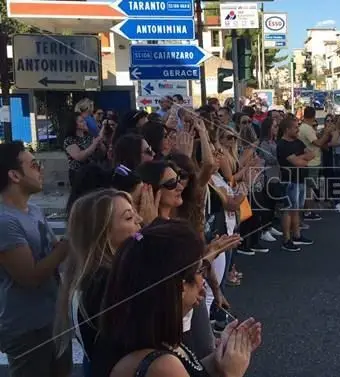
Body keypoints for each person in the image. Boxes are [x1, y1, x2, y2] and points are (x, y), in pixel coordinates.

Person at [91, 220, 261, 377]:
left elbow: (191, 370)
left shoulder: (154, 338)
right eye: (198, 271)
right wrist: (232, 372)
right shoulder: (162, 366)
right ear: (176, 286)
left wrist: (218, 359)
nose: (203, 282)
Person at [0, 141, 71, 377]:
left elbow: (55, 253)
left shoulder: (34, 211)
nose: (40, 169)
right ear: (14, 175)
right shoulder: (4, 221)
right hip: (27, 329)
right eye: (34, 165)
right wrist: (68, 245)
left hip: (54, 320)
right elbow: (29, 277)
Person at [54, 189, 142, 374]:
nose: (139, 220)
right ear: (103, 231)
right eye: (128, 218)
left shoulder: (105, 274)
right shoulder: (103, 281)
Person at [277, 117, 315, 251]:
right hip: (289, 180)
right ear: (287, 130)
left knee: (297, 208)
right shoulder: (282, 144)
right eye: (295, 127)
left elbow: (311, 154)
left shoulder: (298, 142)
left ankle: (297, 234)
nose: (298, 130)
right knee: (288, 209)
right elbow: (298, 163)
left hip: (300, 179)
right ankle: (287, 238)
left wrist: (300, 158)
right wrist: (301, 159)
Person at [298, 106, 330, 220]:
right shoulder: (306, 128)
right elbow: (318, 143)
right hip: (311, 162)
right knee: (309, 188)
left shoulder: (306, 127)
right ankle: (307, 211)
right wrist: (326, 133)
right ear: (313, 116)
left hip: (311, 161)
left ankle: (307, 210)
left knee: (309, 188)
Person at [64, 112, 104, 186]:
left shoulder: (89, 136)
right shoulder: (69, 140)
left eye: (84, 120)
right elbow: (80, 157)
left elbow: (102, 154)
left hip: (92, 172)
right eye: (81, 121)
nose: (85, 122)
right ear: (75, 125)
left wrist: (100, 144)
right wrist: (94, 144)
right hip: (78, 173)